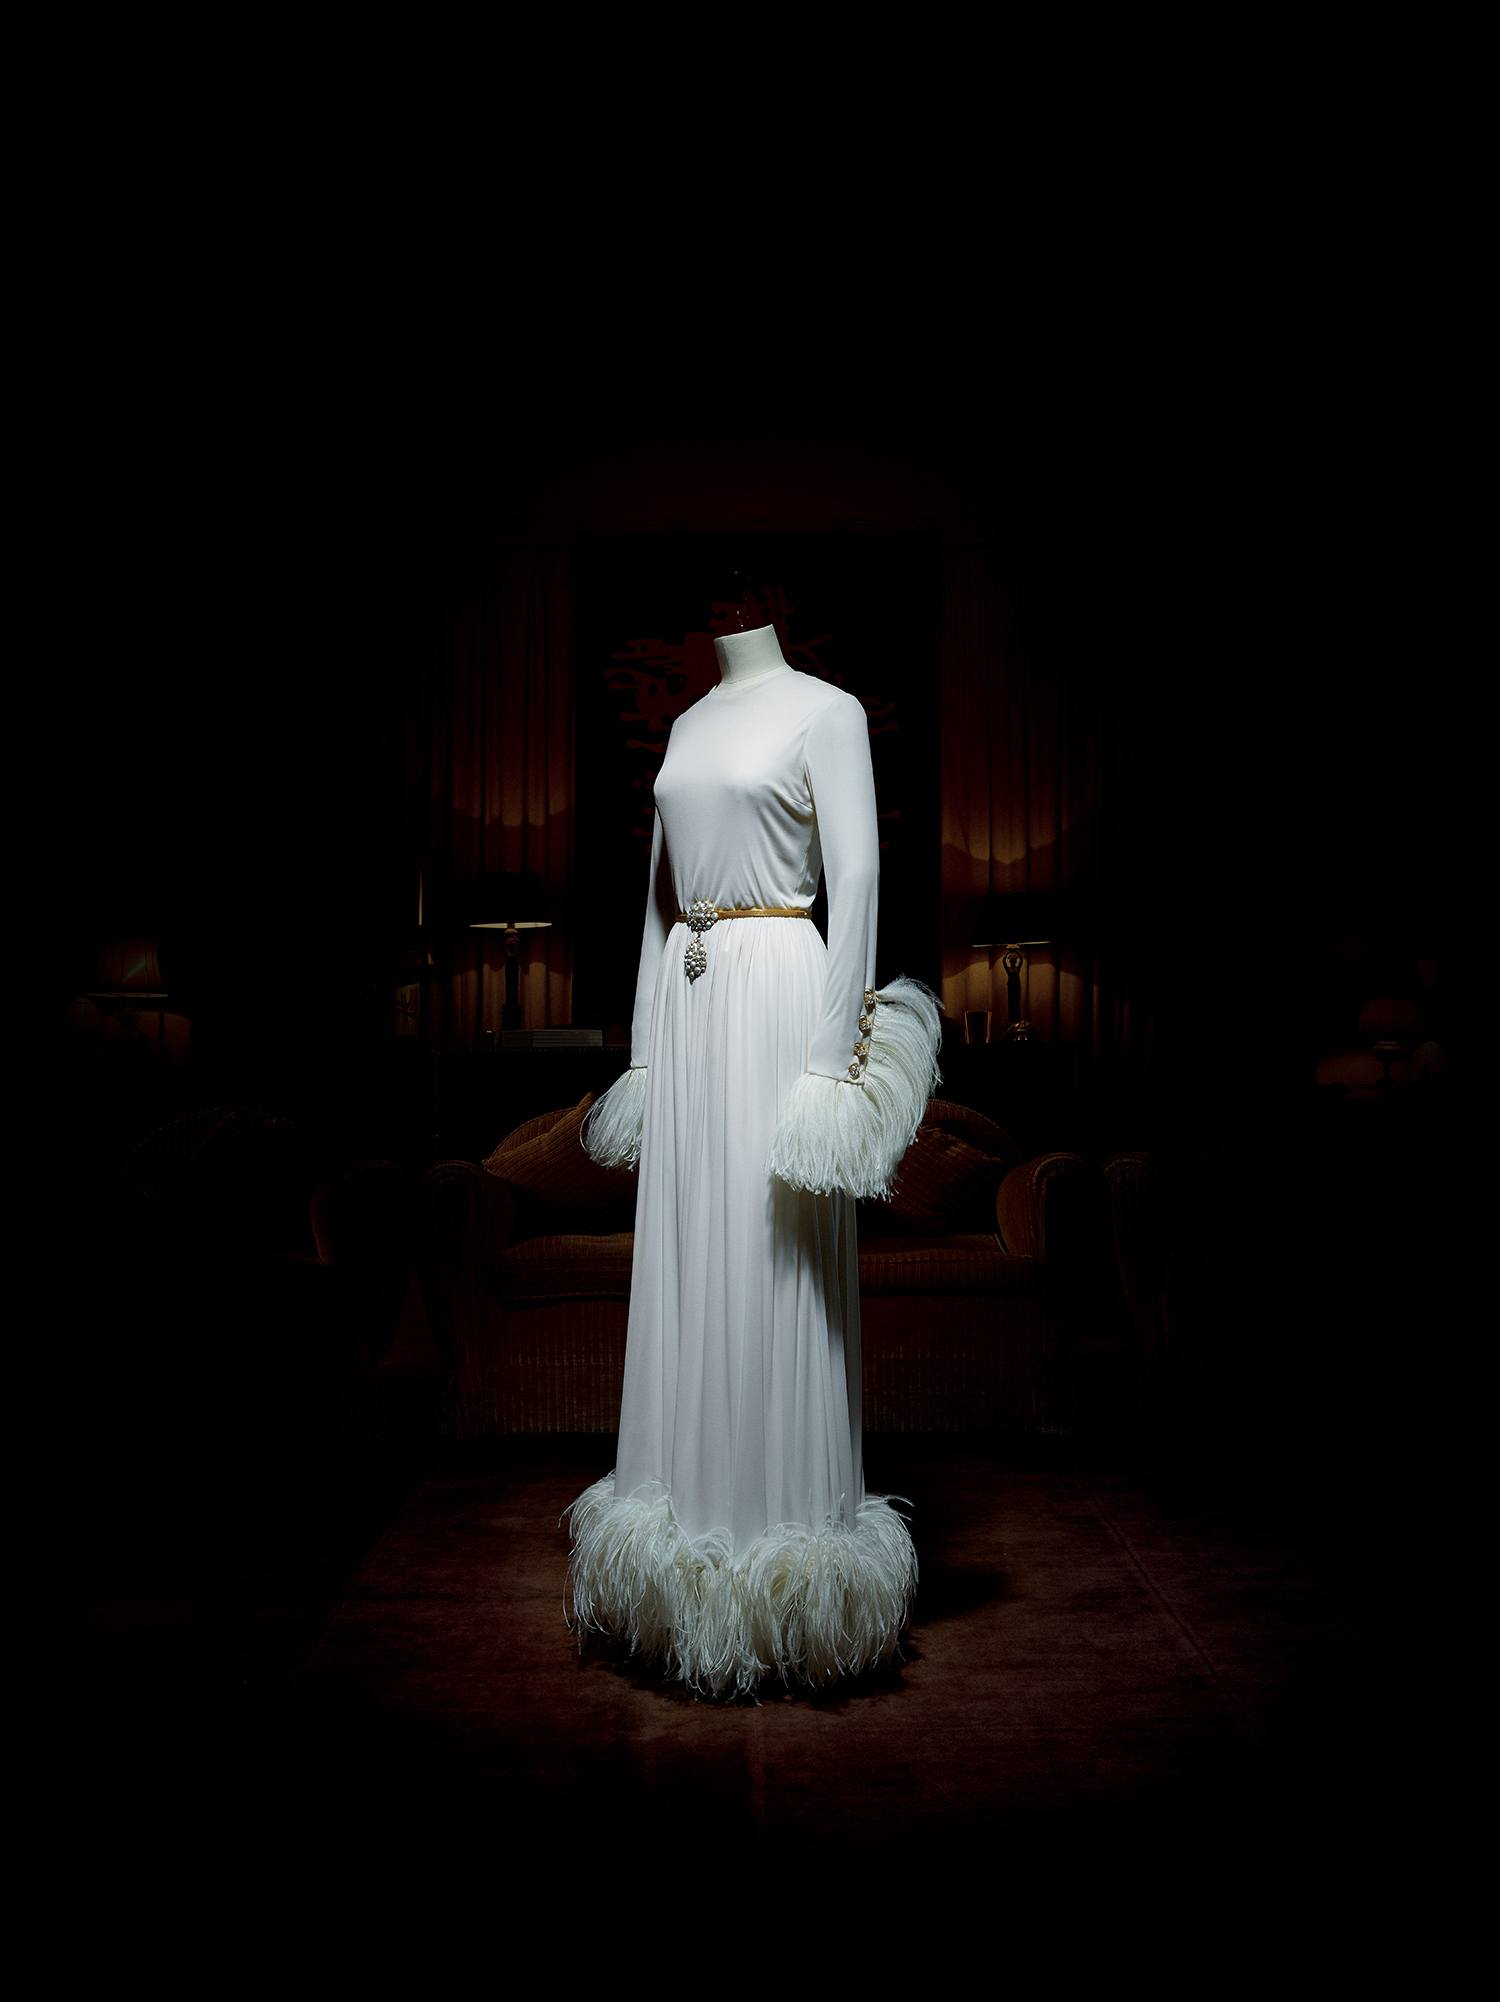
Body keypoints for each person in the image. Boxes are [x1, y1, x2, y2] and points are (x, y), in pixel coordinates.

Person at [562, 621, 943, 1700]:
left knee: (774, 1263)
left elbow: (859, 875)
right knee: (689, 1261)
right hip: (690, 1006)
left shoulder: (827, 709)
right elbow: (655, 902)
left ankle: (785, 1555)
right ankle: (686, 1546)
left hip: (780, 986)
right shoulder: (686, 725)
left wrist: (831, 1066)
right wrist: (644, 1051)